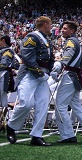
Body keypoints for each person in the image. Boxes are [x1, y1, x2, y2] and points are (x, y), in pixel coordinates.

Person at [6, 16, 55, 146]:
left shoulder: (47, 40)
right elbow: (28, 58)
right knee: (26, 103)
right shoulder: (32, 37)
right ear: (45, 24)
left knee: (43, 105)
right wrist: (40, 73)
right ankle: (11, 126)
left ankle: (36, 135)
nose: (52, 27)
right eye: (50, 24)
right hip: (29, 73)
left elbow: (50, 59)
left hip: (43, 75)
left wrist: (52, 69)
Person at [52, 20, 82, 143]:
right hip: (75, 76)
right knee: (77, 106)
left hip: (70, 76)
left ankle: (68, 135)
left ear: (72, 31)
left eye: (65, 28)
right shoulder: (75, 41)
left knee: (60, 106)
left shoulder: (71, 41)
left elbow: (68, 55)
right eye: (62, 28)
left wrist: (59, 64)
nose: (62, 30)